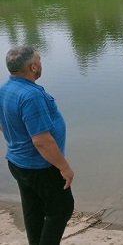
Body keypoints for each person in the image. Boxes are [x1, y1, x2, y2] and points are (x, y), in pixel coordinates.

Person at [0, 46, 74, 245]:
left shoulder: (5, 89)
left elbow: (2, 123)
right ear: (33, 67)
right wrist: (64, 168)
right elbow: (41, 141)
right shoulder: (31, 96)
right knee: (61, 209)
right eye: (39, 60)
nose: (41, 63)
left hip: (17, 162)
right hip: (40, 167)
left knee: (34, 210)